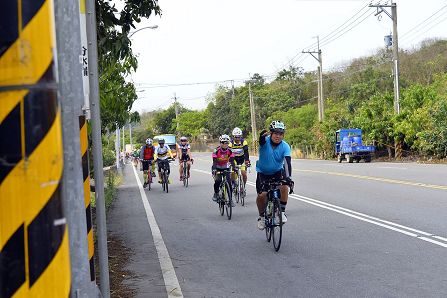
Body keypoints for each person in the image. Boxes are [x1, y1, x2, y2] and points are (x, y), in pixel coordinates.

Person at [256, 121, 294, 230]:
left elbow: (287, 163)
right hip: (263, 173)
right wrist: (261, 137)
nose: (278, 136)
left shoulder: (285, 146)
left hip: (277, 172)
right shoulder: (265, 142)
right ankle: (262, 217)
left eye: (281, 134)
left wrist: (288, 178)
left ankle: (281, 212)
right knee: (262, 195)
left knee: (284, 185)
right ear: (271, 134)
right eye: (276, 133)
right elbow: (261, 141)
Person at [211, 134, 235, 207]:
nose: (225, 144)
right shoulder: (216, 150)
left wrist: (234, 168)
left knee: (229, 183)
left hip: (226, 167)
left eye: (227, 143)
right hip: (217, 167)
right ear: (220, 143)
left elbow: (232, 161)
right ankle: (216, 193)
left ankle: (230, 200)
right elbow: (214, 161)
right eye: (223, 142)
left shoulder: (230, 151)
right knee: (218, 180)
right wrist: (214, 169)